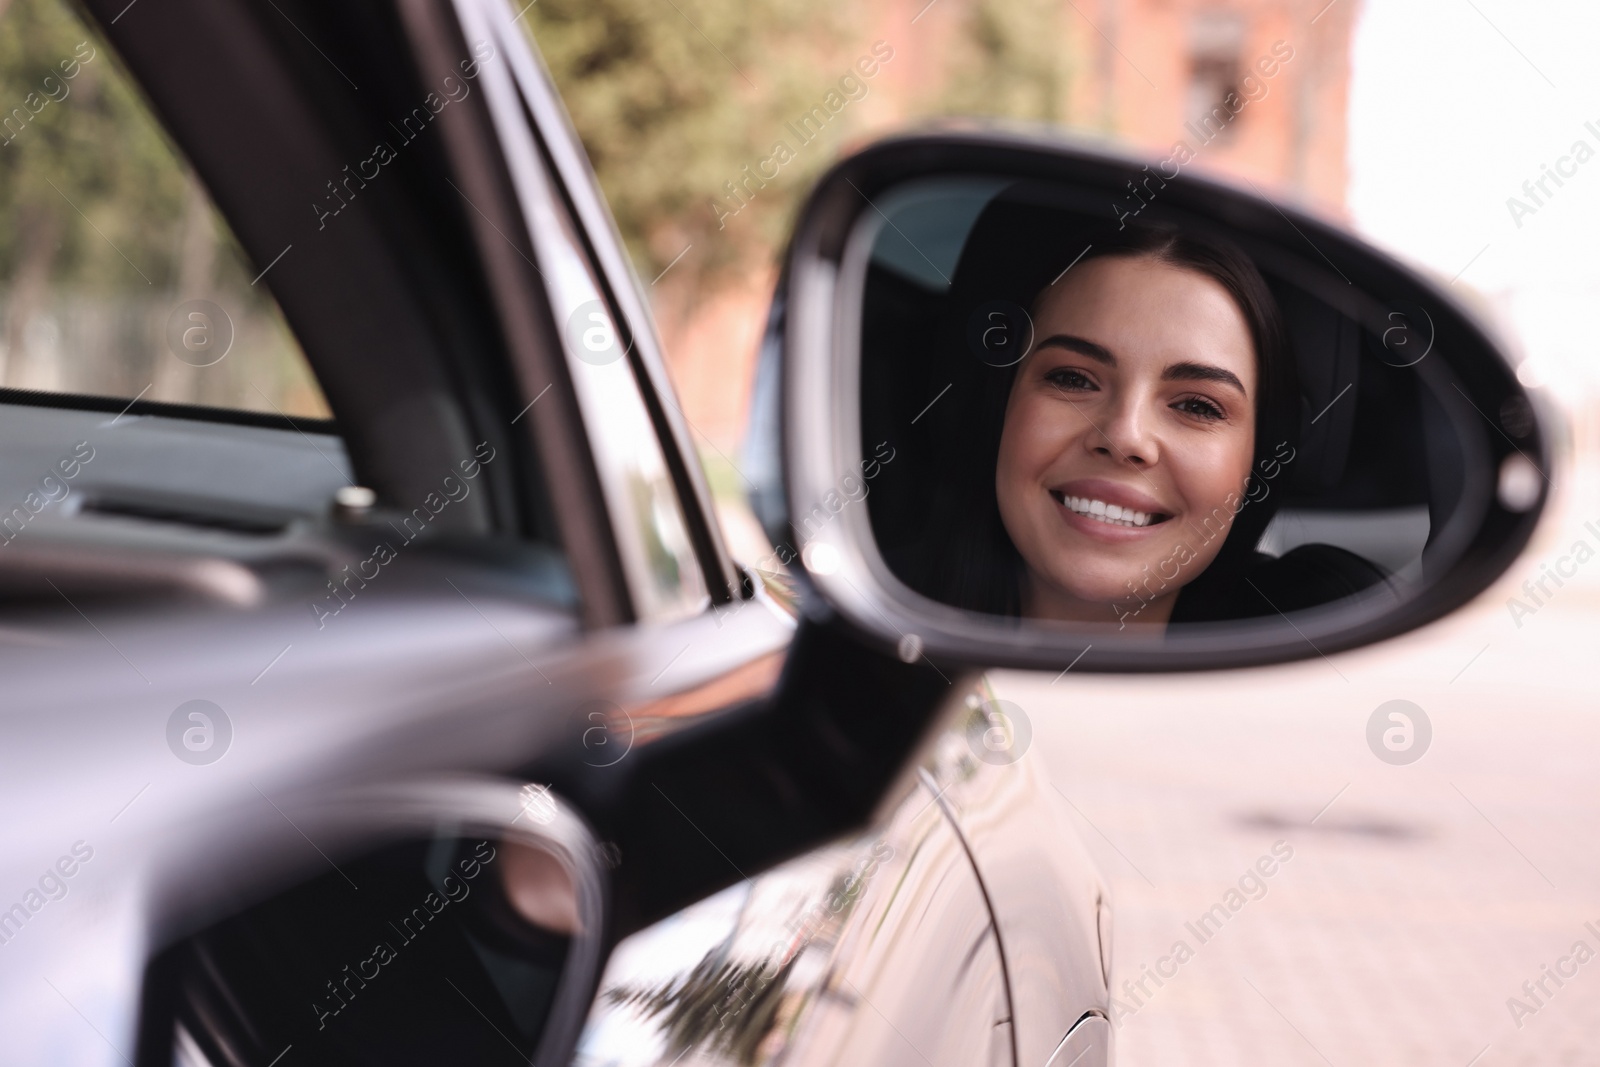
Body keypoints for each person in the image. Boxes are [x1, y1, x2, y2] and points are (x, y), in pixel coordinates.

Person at [899, 198, 1387, 628]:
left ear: (1257, 459)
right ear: (1001, 404)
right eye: (1073, 379)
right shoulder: (855, 618)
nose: (1124, 435)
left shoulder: (1314, 674)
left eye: (1197, 406)